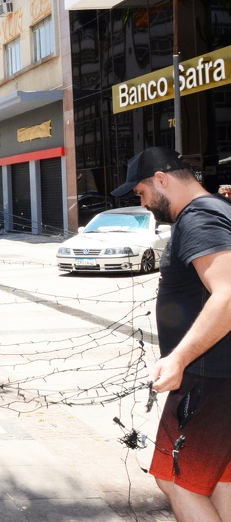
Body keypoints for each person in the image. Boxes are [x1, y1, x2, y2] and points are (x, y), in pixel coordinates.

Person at [111, 146, 231, 520]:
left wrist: (179, 358)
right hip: (216, 375)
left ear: (161, 180)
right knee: (218, 479)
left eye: (142, 192)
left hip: (207, 376)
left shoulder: (199, 218)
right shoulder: (216, 211)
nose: (143, 201)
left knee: (177, 480)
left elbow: (228, 293)